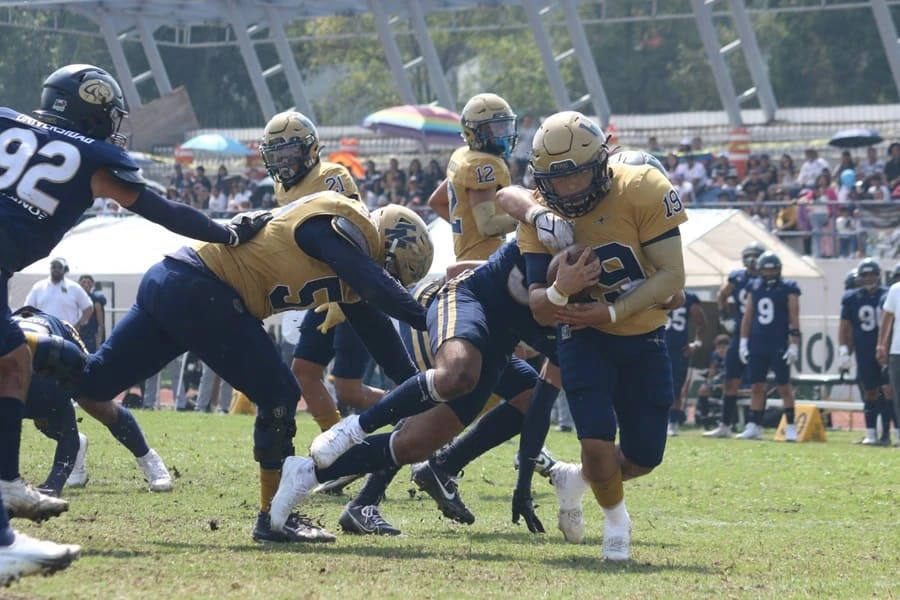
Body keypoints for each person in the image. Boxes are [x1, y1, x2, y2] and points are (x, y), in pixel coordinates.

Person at [0, 63, 271, 583]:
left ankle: (7, 483)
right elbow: (163, 210)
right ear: (93, 109)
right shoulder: (96, 156)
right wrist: (226, 233)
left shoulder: (8, 121)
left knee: (12, 361)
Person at [69, 193, 433, 544]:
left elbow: (386, 345)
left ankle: (32, 345)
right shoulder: (337, 224)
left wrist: (432, 390)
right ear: (383, 240)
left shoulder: (352, 272)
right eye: (390, 270)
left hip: (173, 281)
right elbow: (375, 283)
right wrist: (434, 317)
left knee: (92, 383)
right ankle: (274, 517)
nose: (389, 281)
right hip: (204, 288)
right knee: (279, 393)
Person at [271, 240, 568, 539]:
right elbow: (460, 265)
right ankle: (353, 434)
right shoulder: (541, 241)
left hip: (496, 345)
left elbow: (541, 407)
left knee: (417, 443)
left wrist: (524, 485)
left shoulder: (580, 327)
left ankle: (308, 473)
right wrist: (532, 213)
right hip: (458, 306)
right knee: (454, 377)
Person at [495, 111, 688, 561]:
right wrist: (565, 288)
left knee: (643, 457)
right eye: (557, 182)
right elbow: (542, 306)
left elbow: (673, 278)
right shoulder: (540, 215)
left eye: (579, 175)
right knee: (597, 445)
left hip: (643, 335)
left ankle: (573, 479)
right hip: (582, 334)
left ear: (601, 162)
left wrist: (614, 308)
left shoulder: (641, 188)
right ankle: (617, 525)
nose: (569, 190)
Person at [427, 92, 520, 261]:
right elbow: (487, 227)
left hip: (467, 257)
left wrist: (468, 231)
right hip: (484, 262)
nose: (503, 133)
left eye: (504, 126)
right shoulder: (484, 165)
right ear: (474, 131)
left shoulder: (463, 156)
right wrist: (528, 217)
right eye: (495, 128)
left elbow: (436, 202)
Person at [736, 252, 801, 441]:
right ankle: (754, 425)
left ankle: (790, 425)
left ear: (779, 269)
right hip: (758, 342)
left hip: (779, 342)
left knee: (784, 386)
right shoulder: (755, 287)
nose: (770, 272)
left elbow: (794, 317)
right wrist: (743, 342)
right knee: (756, 386)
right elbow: (747, 317)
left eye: (773, 269)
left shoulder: (788, 288)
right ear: (761, 270)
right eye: (767, 269)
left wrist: (794, 344)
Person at [705, 242, 765, 438]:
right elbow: (721, 294)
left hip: (760, 334)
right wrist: (724, 317)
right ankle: (725, 425)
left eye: (755, 255)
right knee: (731, 380)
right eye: (749, 255)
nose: (752, 260)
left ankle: (755, 425)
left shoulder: (768, 279)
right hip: (739, 333)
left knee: (758, 382)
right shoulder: (738, 277)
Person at [839, 259, 895, 445]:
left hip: (885, 349)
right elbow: (845, 327)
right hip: (864, 350)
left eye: (872, 274)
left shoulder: (887, 294)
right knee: (869, 392)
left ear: (879, 275)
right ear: (859, 277)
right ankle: (871, 433)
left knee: (888, 391)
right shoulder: (852, 298)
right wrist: (844, 351)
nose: (869, 278)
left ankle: (888, 433)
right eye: (865, 275)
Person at [665, 290, 707, 436]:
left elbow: (701, 322)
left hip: (678, 349)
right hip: (657, 345)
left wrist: (697, 343)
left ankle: (673, 422)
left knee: (676, 389)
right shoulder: (654, 292)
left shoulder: (688, 298)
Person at [24, 258, 94, 330]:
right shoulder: (38, 287)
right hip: (43, 332)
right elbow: (27, 308)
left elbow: (88, 308)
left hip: (67, 333)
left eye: (59, 267)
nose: (56, 269)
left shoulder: (74, 287)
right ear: (50, 269)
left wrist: (78, 325)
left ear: (65, 270)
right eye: (54, 267)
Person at [877, 263, 900, 436]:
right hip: (897, 351)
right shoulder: (895, 289)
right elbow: (887, 318)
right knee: (897, 396)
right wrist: (881, 344)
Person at [77, 275, 106, 353]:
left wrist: (99, 340)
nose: (86, 285)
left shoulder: (96, 300)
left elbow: (100, 324)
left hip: (90, 335)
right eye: (83, 282)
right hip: (76, 333)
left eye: (88, 282)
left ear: (92, 285)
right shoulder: (75, 299)